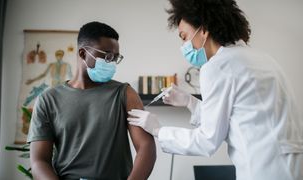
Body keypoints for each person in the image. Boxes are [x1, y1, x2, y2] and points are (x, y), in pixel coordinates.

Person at [127, 0, 303, 179]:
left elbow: (207, 141)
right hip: (291, 168)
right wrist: (190, 102)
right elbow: (242, 117)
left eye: (184, 37)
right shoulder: (262, 59)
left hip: (261, 169)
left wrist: (158, 130)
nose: (184, 46)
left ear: (203, 30)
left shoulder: (217, 66)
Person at [28, 21, 156, 180]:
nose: (112, 63)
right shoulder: (48, 100)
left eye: (115, 58)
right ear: (83, 53)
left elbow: (146, 147)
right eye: (107, 56)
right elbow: (39, 161)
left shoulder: (124, 94)